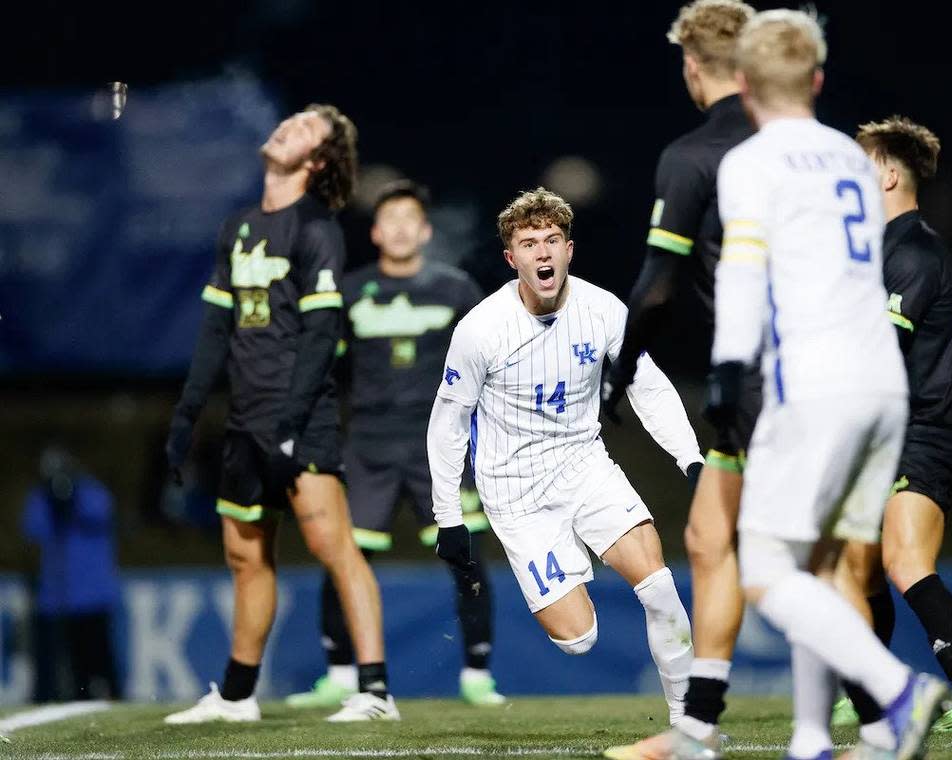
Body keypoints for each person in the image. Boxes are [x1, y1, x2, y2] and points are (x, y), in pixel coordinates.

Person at [608, 10, 947, 760]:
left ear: (748, 85)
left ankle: (897, 692)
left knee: (766, 568)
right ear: (818, 80)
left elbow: (742, 278)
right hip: (882, 387)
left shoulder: (750, 163)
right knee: (822, 567)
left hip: (813, 384)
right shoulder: (850, 158)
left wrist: (726, 377)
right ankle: (809, 740)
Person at [428, 188, 701, 724]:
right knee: (579, 639)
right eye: (529, 244)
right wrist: (449, 517)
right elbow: (448, 424)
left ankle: (689, 727)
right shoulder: (480, 329)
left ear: (569, 249)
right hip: (514, 492)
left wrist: (689, 457)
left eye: (552, 240)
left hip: (584, 465)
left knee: (659, 584)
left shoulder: (603, 311)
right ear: (512, 260)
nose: (543, 253)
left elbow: (648, 386)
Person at [163, 104, 398, 724]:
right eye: (289, 120)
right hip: (243, 422)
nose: (286, 128)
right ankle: (238, 697)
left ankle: (375, 692)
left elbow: (322, 338)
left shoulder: (317, 228)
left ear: (316, 161)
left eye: (303, 129)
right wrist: (187, 415)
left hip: (302, 420)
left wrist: (291, 423)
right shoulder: (238, 226)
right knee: (246, 558)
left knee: (332, 545)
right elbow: (216, 329)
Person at [599, 0, 761, 743]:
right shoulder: (817, 147)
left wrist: (620, 367)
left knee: (759, 553)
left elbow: (658, 285)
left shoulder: (696, 154)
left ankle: (890, 696)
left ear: (694, 67)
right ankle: (699, 725)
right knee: (713, 539)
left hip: (764, 375)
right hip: (844, 368)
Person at [286, 179, 505, 709]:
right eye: (392, 219)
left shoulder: (456, 289)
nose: (403, 227)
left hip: (441, 448)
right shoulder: (351, 289)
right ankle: (340, 673)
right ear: (378, 231)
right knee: (344, 555)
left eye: (413, 218)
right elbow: (320, 367)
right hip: (367, 447)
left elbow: (494, 365)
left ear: (426, 231)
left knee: (466, 557)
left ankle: (477, 673)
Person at [830, 116, 952, 734]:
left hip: (920, 430)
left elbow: (879, 357)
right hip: (889, 430)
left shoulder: (914, 251)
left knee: (904, 562)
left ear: (891, 173)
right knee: (857, 568)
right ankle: (868, 689)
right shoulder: (878, 251)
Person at [23, 447, 121, 702]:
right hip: (57, 598)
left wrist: (71, 501)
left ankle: (115, 698)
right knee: (56, 664)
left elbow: (101, 514)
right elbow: (33, 529)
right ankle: (59, 698)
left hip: (92, 597)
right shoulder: (42, 497)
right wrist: (52, 501)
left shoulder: (91, 491)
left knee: (100, 660)